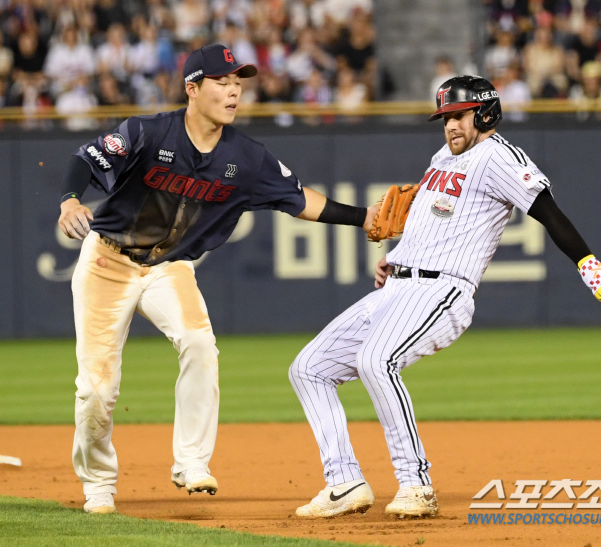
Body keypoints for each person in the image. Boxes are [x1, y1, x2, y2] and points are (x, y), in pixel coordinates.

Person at [289, 75, 601, 519]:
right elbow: (431, 215)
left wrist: (594, 272)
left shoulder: (499, 158)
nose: (450, 125)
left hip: (443, 289)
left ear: (486, 113)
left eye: (459, 115)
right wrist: (396, 257)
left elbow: (550, 213)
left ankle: (416, 485)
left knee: (376, 361)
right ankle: (344, 482)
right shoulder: (443, 156)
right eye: (444, 118)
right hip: (399, 285)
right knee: (309, 368)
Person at [58, 44, 379, 515]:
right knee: (97, 389)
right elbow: (86, 158)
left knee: (200, 344)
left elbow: (299, 200)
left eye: (238, 83)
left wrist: (363, 218)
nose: (233, 91)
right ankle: (99, 485)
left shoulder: (246, 158)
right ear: (193, 88)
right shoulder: (148, 132)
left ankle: (190, 462)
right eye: (223, 82)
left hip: (170, 266)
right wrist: (70, 198)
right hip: (109, 262)